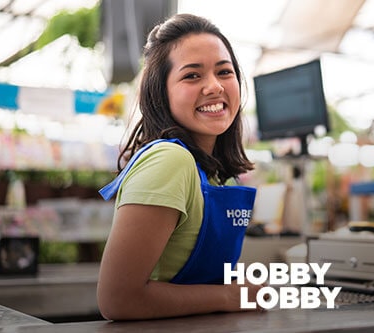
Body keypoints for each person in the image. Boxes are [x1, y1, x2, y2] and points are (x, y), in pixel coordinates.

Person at [96, 13, 263, 320]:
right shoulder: (171, 160)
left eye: (224, 72)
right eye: (192, 76)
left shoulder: (220, 176)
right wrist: (229, 295)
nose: (214, 86)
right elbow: (117, 300)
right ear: (162, 94)